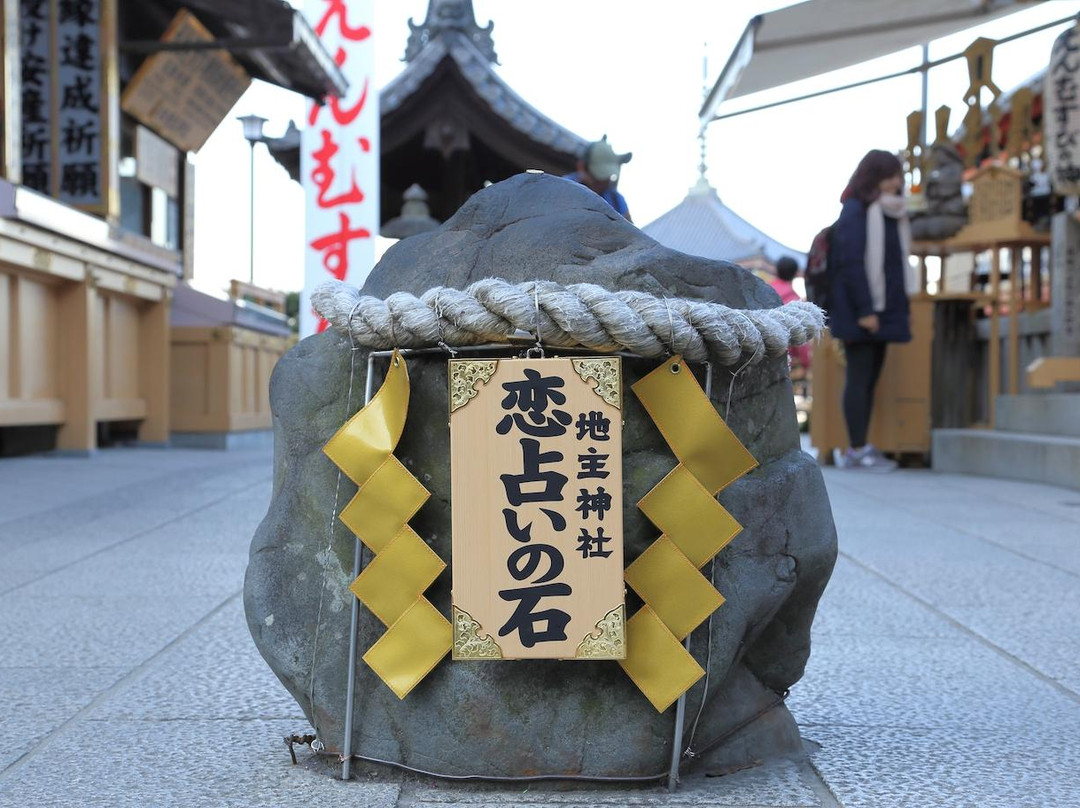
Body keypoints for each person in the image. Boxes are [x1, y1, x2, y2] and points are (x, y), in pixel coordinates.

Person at [829, 149, 916, 472]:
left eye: (898, 176)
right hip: (860, 310)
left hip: (884, 309)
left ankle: (860, 447)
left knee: (869, 379)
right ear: (874, 176)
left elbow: (894, 265)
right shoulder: (856, 210)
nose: (897, 182)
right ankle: (856, 449)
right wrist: (866, 309)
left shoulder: (891, 212)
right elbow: (850, 264)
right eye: (891, 175)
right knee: (859, 377)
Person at [565, 136, 632, 221]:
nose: (604, 181)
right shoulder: (565, 188)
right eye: (599, 175)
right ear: (582, 167)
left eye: (607, 176)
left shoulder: (616, 199)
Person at [769, 256, 812, 375]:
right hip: (784, 360)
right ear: (796, 273)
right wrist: (806, 362)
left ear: (776, 271)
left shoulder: (765, 291)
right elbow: (800, 335)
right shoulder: (794, 300)